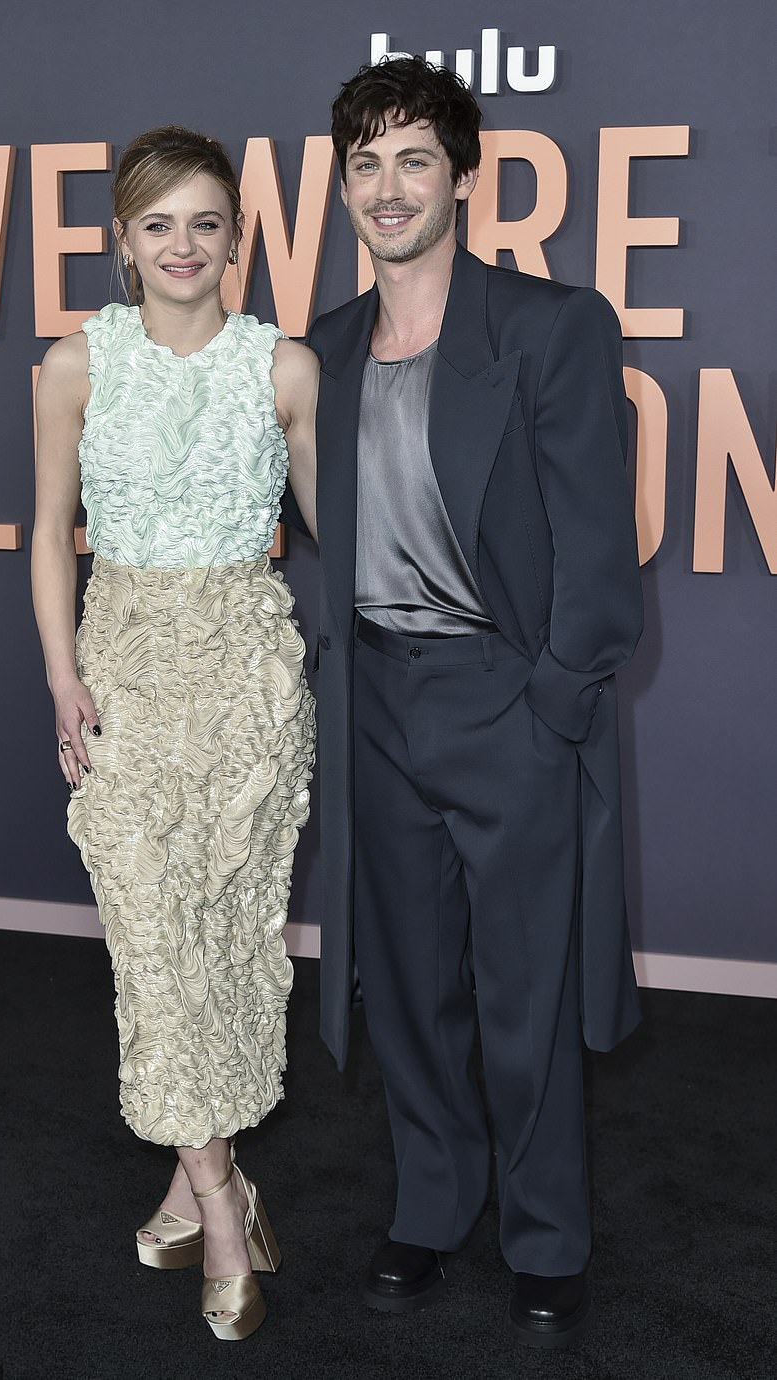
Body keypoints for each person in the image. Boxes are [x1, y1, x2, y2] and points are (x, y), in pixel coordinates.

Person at [291, 57, 644, 1347]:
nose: (387, 189)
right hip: (376, 704)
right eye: (364, 165)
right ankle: (432, 1207)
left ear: (461, 176)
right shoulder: (317, 352)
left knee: (524, 989)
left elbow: (597, 555)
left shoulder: (549, 326)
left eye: (413, 161)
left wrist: (552, 703)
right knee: (412, 984)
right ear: (340, 187)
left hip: (504, 703)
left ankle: (544, 1234)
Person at [30, 125, 317, 1342]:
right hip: (126, 672)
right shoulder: (73, 363)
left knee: (224, 936)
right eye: (158, 224)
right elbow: (49, 533)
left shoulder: (284, 368)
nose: (182, 245)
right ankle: (217, 1198)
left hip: (249, 679)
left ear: (235, 236)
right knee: (147, 934)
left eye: (205, 222)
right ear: (123, 242)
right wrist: (64, 680)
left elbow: (339, 529)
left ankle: (196, 1176)